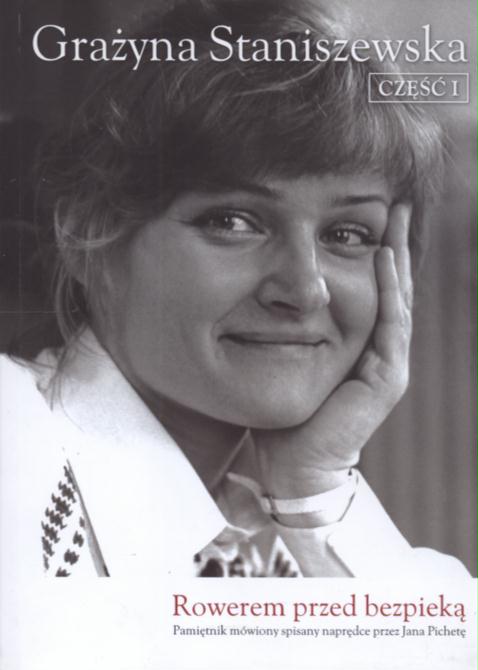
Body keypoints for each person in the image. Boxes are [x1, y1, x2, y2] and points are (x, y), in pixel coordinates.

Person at [0, 0, 469, 578]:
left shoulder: (274, 528)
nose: (305, 290)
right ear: (85, 235)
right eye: (233, 222)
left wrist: (314, 486)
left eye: (347, 234)